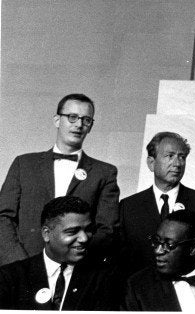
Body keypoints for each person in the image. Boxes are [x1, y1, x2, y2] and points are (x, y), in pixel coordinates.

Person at [0, 93, 120, 266]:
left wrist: (73, 258)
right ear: (57, 120)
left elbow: (106, 229)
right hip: (23, 267)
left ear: (90, 126)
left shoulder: (105, 173)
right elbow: (3, 217)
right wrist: (20, 263)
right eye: (72, 117)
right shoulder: (23, 164)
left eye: (86, 120)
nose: (79, 125)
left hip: (75, 270)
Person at [119, 132, 195, 275]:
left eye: (182, 157)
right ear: (151, 163)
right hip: (141, 292)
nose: (178, 163)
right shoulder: (128, 206)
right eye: (170, 156)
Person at [0, 196, 116, 310]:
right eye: (72, 232)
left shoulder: (106, 279)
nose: (84, 238)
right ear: (46, 234)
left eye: (88, 230)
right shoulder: (8, 277)